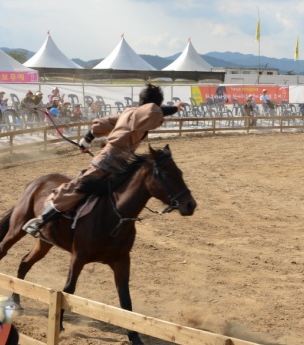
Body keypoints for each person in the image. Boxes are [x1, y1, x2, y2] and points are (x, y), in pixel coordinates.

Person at [22, 84, 185, 237]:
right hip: (108, 160)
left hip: (118, 164)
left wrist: (87, 139)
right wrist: (174, 108)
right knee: (79, 187)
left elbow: (102, 124)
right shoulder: (147, 111)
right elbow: (153, 111)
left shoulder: (130, 113)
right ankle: (42, 219)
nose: (156, 114)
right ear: (153, 104)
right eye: (157, 106)